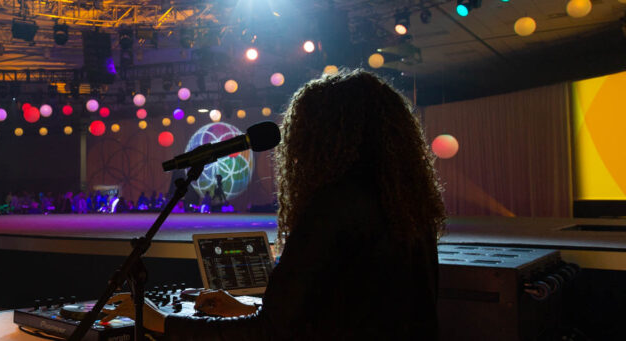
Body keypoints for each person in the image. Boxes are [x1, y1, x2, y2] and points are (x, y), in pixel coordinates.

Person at [102, 70, 446, 340]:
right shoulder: (403, 207)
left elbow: (269, 335)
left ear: (317, 139)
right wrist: (249, 310)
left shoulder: (331, 209)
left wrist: (161, 322)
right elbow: (346, 314)